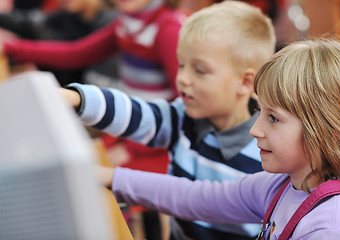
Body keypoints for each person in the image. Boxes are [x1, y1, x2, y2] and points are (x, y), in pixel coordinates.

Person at [67, 38, 340, 239]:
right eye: (260, 112)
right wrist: (110, 178)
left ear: (325, 129)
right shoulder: (283, 185)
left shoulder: (332, 227)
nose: (255, 130)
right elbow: (194, 197)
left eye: (273, 118)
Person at [61, 1, 276, 239]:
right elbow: (134, 112)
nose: (182, 78)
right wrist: (76, 98)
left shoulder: (265, 155)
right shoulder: (182, 117)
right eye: (181, 65)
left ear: (245, 82)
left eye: (200, 71)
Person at [1, 0, 185, 100]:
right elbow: (75, 54)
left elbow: (184, 100)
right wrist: (9, 47)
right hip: (135, 123)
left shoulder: (168, 30)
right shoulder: (125, 24)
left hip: (154, 137)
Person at [0, 0, 119, 86]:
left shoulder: (109, 23)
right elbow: (29, 24)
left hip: (88, 99)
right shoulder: (67, 15)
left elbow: (73, 55)